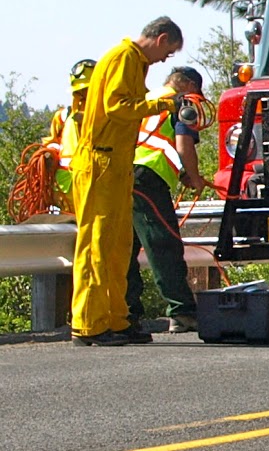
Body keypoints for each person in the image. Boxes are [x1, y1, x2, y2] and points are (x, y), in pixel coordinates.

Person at [70, 17, 183, 347]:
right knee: (97, 245)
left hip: (118, 163)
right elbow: (116, 106)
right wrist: (162, 103)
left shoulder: (133, 62)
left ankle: (117, 320)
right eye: (168, 51)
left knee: (119, 247)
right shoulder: (123, 57)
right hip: (99, 162)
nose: (166, 59)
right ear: (161, 38)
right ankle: (88, 324)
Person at [125, 67, 208, 335]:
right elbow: (183, 145)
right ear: (188, 85)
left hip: (122, 176)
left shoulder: (148, 100)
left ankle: (126, 313)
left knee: (125, 251)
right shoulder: (182, 104)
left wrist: (182, 173)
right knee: (164, 245)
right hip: (147, 180)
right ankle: (182, 311)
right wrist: (194, 178)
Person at [42, 59, 96, 211]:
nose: (84, 95)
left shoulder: (108, 117)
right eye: (81, 91)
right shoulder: (63, 116)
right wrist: (49, 153)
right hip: (65, 189)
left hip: (94, 186)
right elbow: (53, 142)